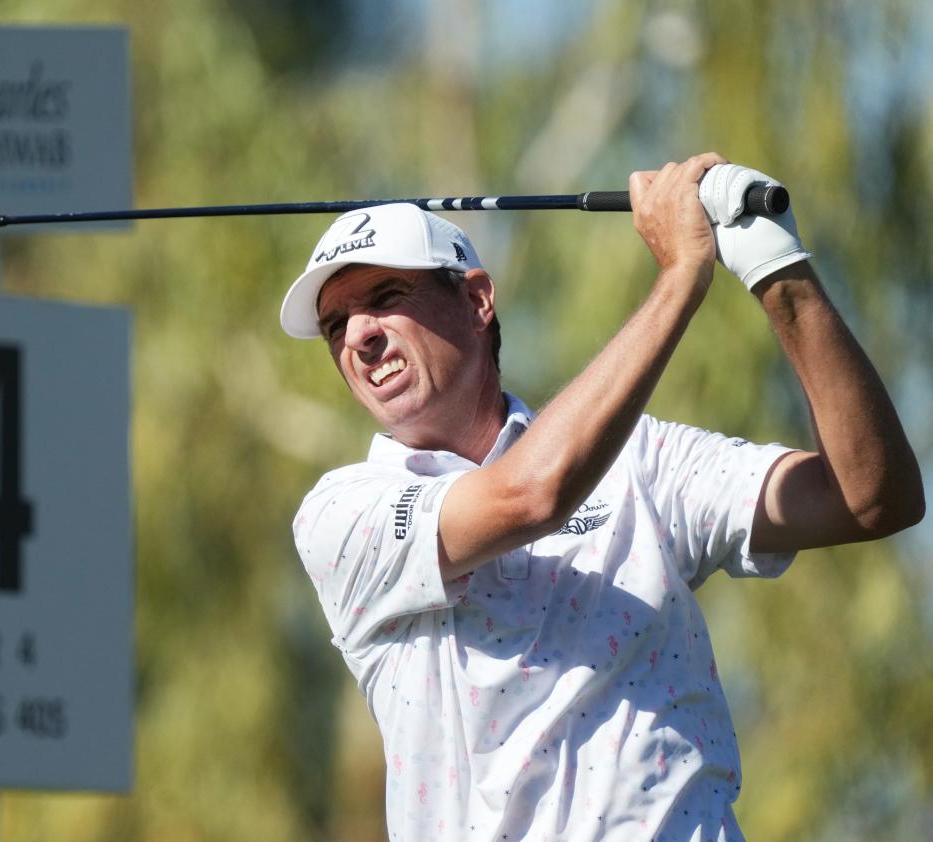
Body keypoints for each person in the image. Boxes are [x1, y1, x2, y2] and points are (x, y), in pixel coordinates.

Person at [278, 153, 924, 841]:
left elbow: (870, 497)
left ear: (475, 300)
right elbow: (529, 496)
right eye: (334, 326)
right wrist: (680, 275)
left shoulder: (640, 460)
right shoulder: (341, 512)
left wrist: (778, 274)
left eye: (385, 299)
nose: (358, 338)